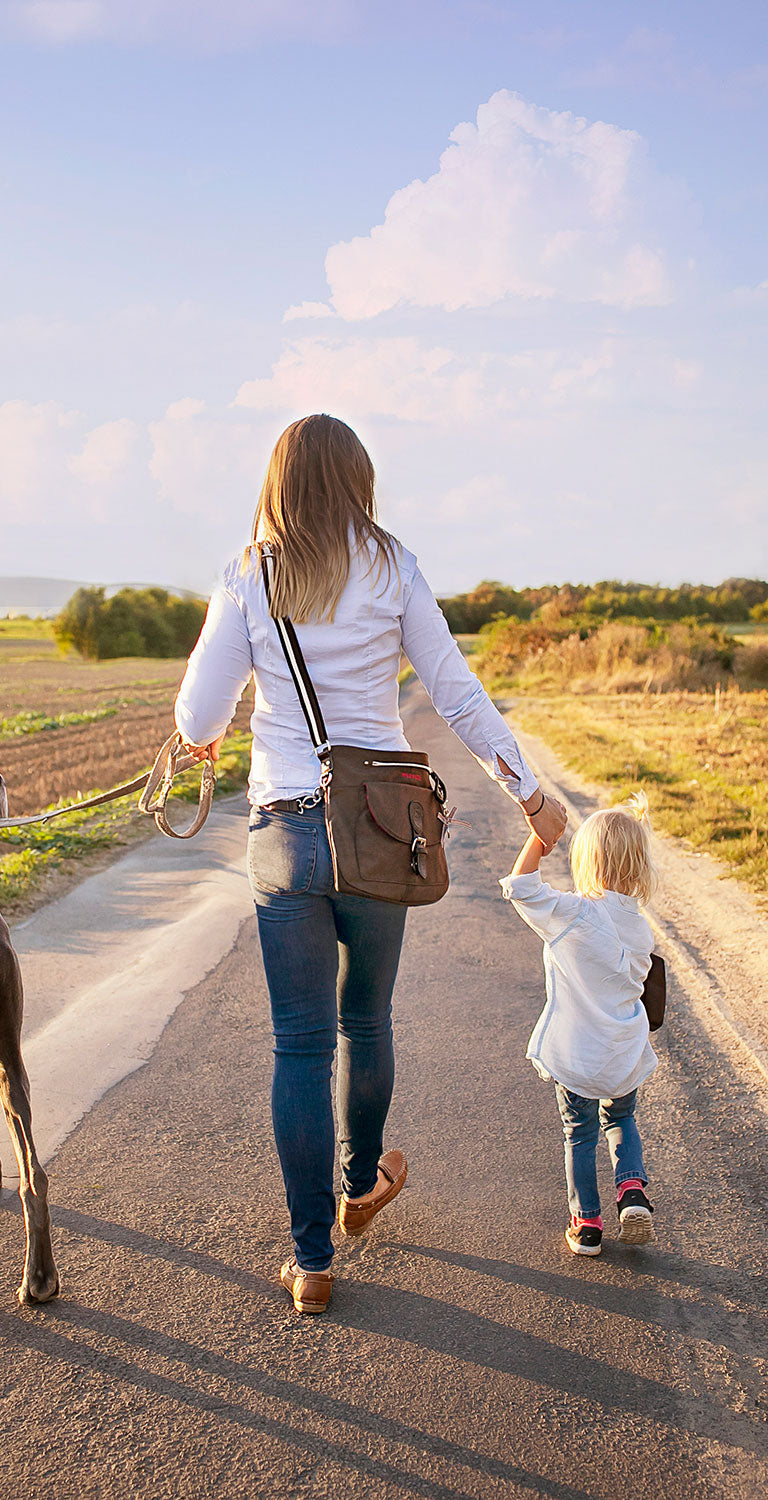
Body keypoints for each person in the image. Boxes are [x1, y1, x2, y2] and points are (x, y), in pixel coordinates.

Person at [174, 413, 566, 1313]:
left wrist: (208, 735)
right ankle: (360, 1184)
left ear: (276, 481)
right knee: (369, 1019)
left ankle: (311, 1258)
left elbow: (200, 718)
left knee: (299, 1045)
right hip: (381, 826)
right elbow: (457, 696)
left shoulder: (247, 573)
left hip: (282, 828)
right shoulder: (393, 567)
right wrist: (531, 797)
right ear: (359, 476)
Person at [500, 792, 659, 1257]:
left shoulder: (574, 914)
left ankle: (587, 1224)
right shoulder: (639, 926)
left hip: (578, 1054)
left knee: (580, 1133)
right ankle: (631, 1190)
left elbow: (521, 886)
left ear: (586, 862)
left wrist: (538, 837)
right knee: (622, 1118)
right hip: (623, 1051)